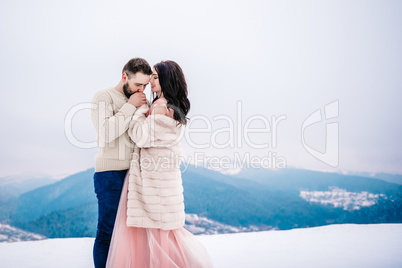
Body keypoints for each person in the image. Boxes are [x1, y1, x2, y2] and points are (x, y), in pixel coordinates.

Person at [106, 60, 214, 267]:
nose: (151, 81)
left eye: (156, 77)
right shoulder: (173, 107)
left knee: (151, 236)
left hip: (151, 179)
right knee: (162, 236)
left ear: (167, 80)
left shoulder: (158, 107)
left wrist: (139, 109)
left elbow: (141, 137)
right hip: (162, 178)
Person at [91, 58, 153, 268]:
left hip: (134, 173)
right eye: (138, 84)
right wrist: (129, 106)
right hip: (110, 173)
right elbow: (107, 133)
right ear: (124, 76)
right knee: (107, 232)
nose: (141, 89)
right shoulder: (103, 96)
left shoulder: (139, 100)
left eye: (145, 85)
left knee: (133, 233)